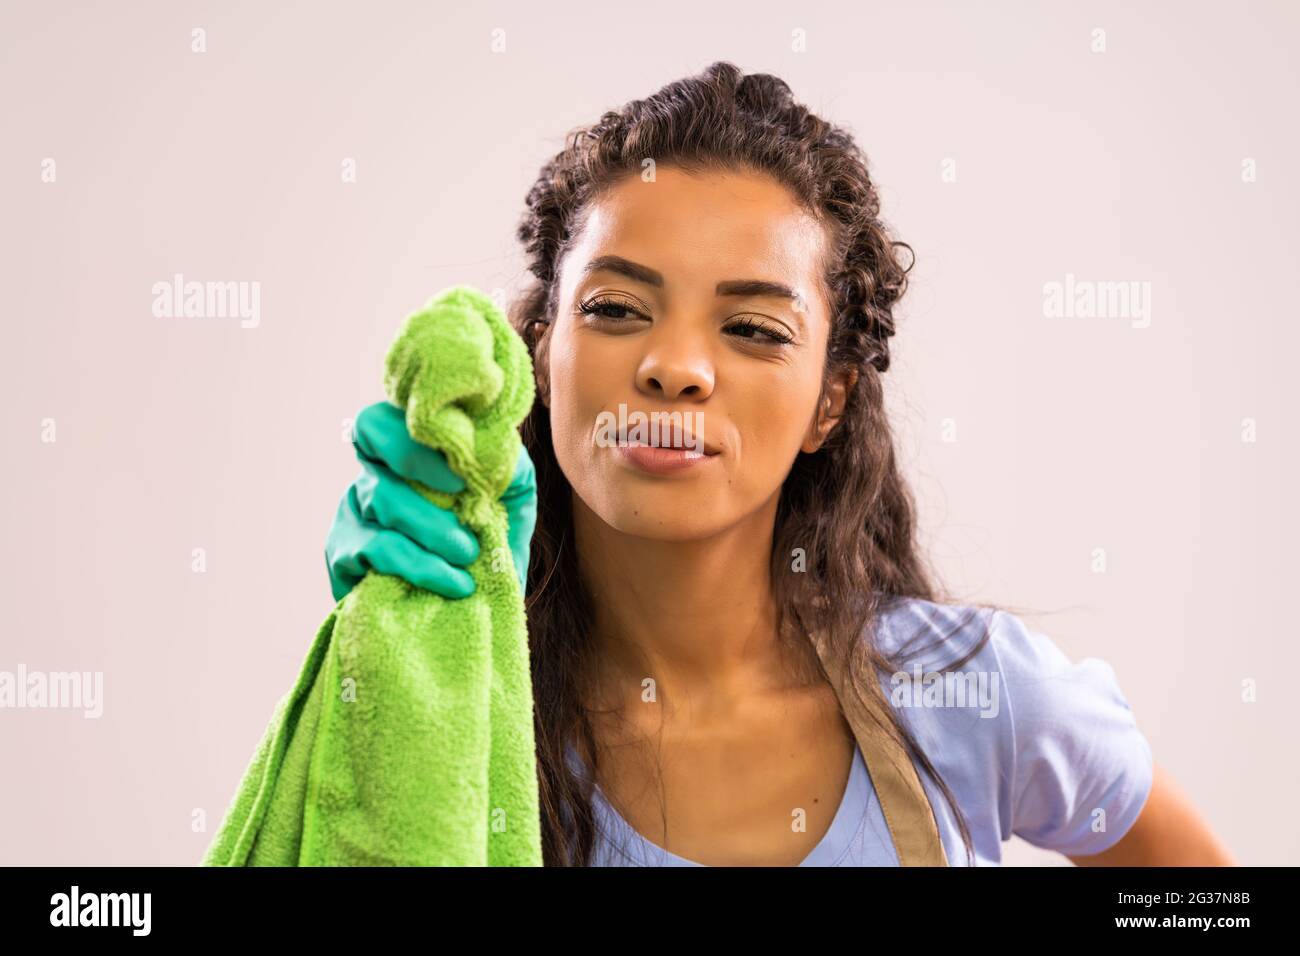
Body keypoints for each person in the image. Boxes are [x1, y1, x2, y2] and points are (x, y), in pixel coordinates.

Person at [324, 61, 1233, 867]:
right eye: (615, 308)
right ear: (538, 350)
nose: (675, 366)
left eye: (753, 329)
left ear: (827, 403)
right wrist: (400, 647)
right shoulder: (454, 708)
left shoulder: (969, 694)